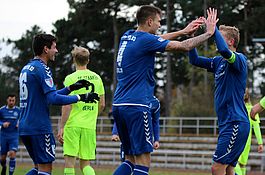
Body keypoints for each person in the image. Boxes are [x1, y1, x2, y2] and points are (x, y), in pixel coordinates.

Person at [112, 5, 218, 175]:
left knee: (130, 160)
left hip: (119, 106)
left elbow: (158, 38)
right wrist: (208, 34)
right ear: (149, 21)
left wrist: (183, 31)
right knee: (143, 162)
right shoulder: (146, 41)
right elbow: (183, 47)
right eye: (158, 22)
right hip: (137, 106)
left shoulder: (128, 36)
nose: (160, 25)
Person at [19, 34, 100, 175]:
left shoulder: (27, 68)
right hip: (39, 127)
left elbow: (48, 95)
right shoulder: (42, 69)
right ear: (46, 49)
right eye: (54, 47)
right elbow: (53, 99)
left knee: (38, 167)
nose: (56, 51)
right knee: (45, 169)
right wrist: (80, 97)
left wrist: (70, 88)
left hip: (25, 125)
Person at [188, 21, 250, 174]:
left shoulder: (239, 59)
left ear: (231, 41)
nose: (216, 40)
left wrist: (212, 28)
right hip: (227, 124)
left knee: (217, 168)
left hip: (235, 122)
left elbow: (223, 49)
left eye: (219, 37)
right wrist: (191, 38)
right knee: (228, 170)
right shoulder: (217, 62)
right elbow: (194, 60)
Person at [57, 46, 105, 175]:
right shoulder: (97, 78)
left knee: (69, 163)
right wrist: (92, 115)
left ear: (74, 60)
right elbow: (102, 104)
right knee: (86, 165)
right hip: (89, 126)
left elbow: (66, 105)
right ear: (88, 60)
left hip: (73, 124)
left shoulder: (70, 78)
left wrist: (62, 126)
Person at [112, 96, 161, 162]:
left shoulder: (155, 103)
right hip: (128, 135)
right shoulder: (130, 97)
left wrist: (156, 140)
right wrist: (115, 132)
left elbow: (155, 121)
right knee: (127, 161)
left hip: (142, 136)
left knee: (141, 162)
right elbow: (120, 117)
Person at [234, 88, 263, 175]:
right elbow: (256, 127)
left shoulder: (236, 109)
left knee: (233, 163)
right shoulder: (253, 110)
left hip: (237, 140)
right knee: (242, 165)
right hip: (247, 142)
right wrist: (260, 143)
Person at [0, 94, 20, 175]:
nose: (11, 102)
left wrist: (19, 124)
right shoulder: (1, 110)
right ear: (7, 100)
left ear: (15, 101)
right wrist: (2, 124)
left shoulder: (18, 110)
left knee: (12, 154)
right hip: (3, 136)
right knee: (2, 158)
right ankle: (4, 166)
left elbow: (22, 119)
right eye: (10, 100)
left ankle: (10, 174)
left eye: (13, 100)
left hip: (14, 136)